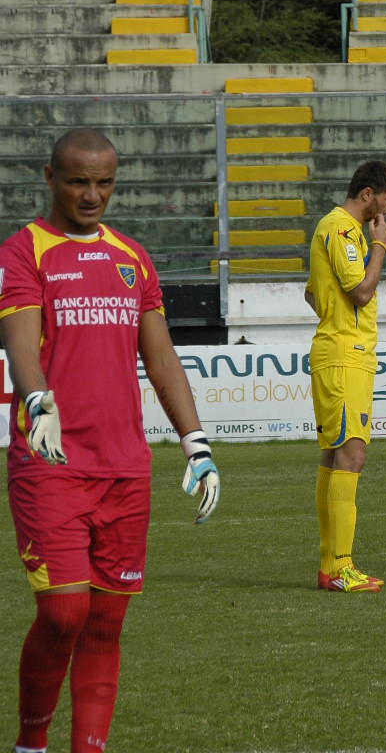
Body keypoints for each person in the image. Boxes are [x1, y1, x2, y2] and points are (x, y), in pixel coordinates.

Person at [0, 127, 222, 753]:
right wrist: (38, 398)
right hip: (53, 464)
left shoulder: (133, 256)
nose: (92, 194)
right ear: (49, 178)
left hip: (126, 470)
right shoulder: (24, 252)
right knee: (63, 612)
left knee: (105, 624)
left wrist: (196, 443)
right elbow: (20, 340)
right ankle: (31, 744)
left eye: (104, 182)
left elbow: (162, 357)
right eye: (78, 181)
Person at [306, 160, 386, 593]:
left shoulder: (330, 227)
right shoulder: (344, 229)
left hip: (341, 351)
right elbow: (361, 292)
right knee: (352, 454)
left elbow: (313, 292)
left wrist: (334, 318)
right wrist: (380, 245)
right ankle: (342, 566)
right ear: (367, 195)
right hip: (346, 355)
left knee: (335, 457)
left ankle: (331, 567)